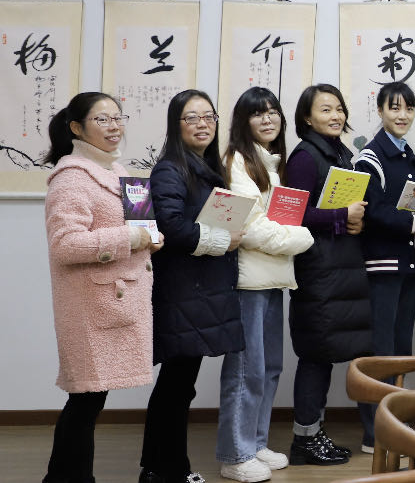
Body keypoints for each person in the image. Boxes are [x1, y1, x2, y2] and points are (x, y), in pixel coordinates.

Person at [41, 93, 162, 483]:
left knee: (89, 401)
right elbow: (65, 245)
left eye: (117, 118)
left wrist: (149, 237)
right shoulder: (71, 177)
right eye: (103, 120)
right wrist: (131, 237)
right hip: (91, 307)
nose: (114, 127)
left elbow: (140, 230)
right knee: (86, 400)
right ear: (77, 128)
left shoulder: (118, 172)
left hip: (117, 302)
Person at [141, 90, 245, 483]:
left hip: (198, 290)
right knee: (177, 385)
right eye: (191, 117)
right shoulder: (170, 169)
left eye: (208, 116)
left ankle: (158, 469)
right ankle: (169, 470)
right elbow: (171, 226)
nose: (203, 124)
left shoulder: (204, 166)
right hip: (183, 290)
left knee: (179, 385)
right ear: (176, 124)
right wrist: (223, 240)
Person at [216, 87, 314, 482]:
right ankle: (234, 454)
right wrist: (303, 237)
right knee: (246, 370)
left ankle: (255, 443)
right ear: (243, 121)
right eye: (258, 113)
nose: (268, 118)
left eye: (273, 111)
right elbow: (250, 228)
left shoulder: (270, 162)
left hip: (271, 277)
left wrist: (292, 235)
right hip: (247, 282)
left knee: (269, 367)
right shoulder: (237, 161)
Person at [285, 83, 372, 466]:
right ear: (307, 118)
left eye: (339, 108)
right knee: (316, 356)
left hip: (341, 270)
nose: (336, 115)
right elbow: (292, 214)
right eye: (325, 109)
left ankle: (313, 435)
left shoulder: (340, 153)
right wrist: (341, 216)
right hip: (318, 271)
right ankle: (305, 439)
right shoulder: (305, 157)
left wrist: (354, 221)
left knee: (327, 355)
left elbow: (342, 212)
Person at [353, 82, 415, 453]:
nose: (402, 115)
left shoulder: (409, 156)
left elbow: (408, 206)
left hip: (408, 264)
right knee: (380, 350)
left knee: (402, 348)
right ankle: (375, 433)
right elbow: (373, 212)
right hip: (381, 267)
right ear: (380, 111)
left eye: (408, 108)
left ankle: (395, 424)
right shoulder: (370, 158)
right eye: (395, 108)